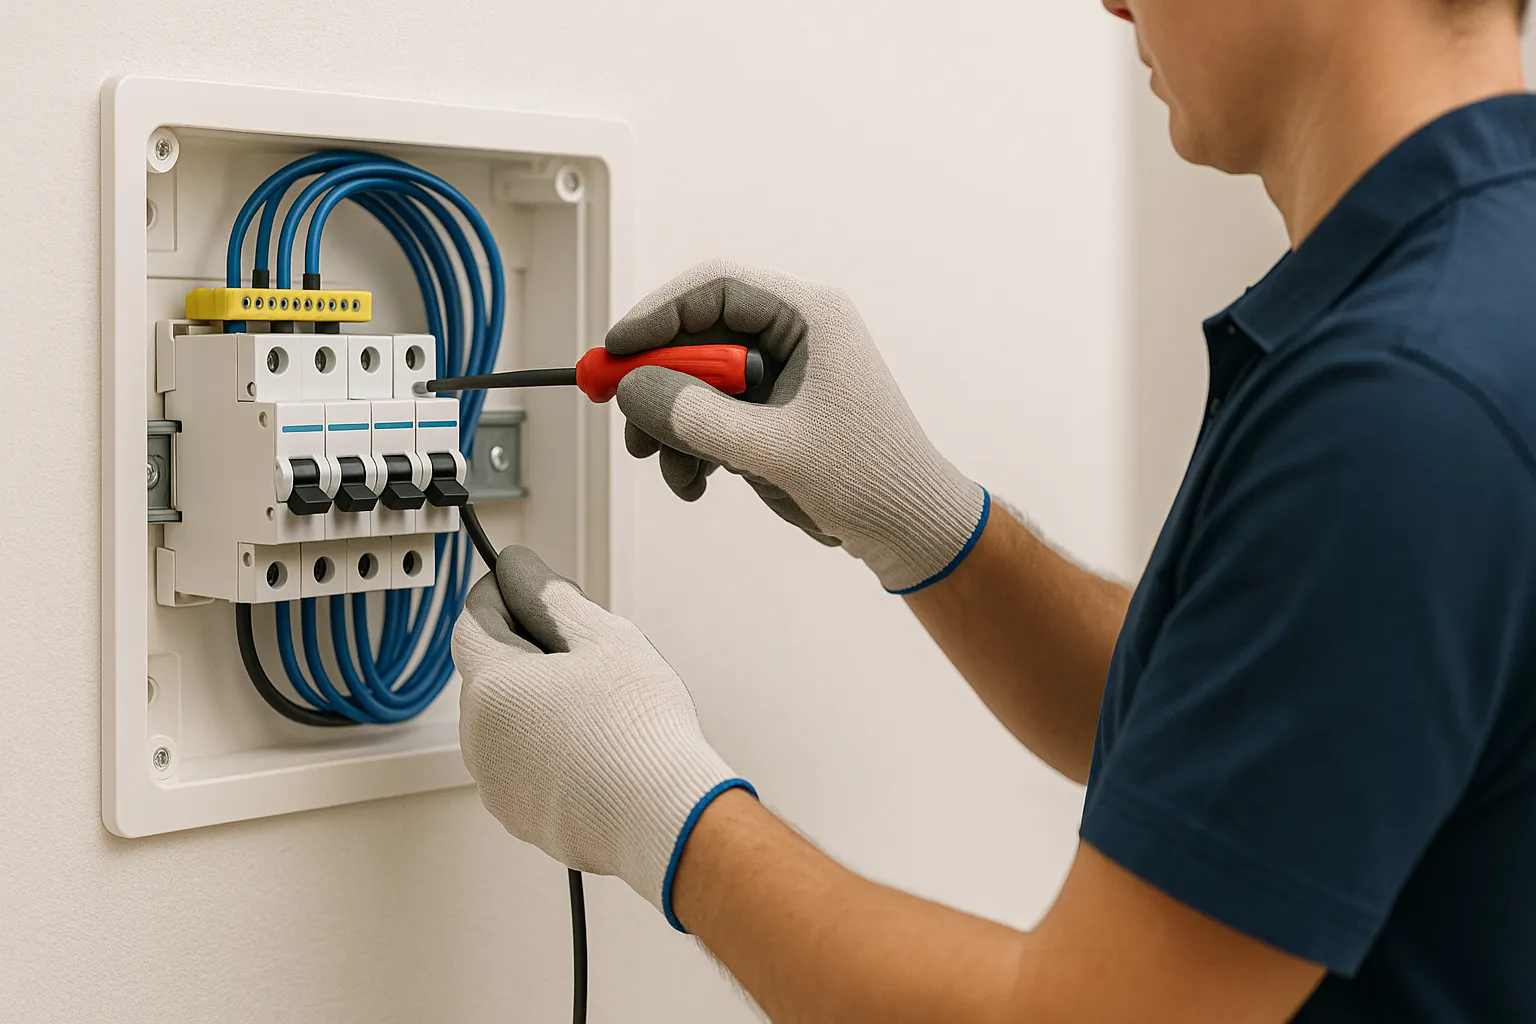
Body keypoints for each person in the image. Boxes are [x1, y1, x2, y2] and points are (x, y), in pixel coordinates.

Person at [451, 0, 1536, 1019]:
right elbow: (1261, 725)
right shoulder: (1481, 292)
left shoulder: (1403, 398)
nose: (1112, 3)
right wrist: (921, 517)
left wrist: (662, 811)